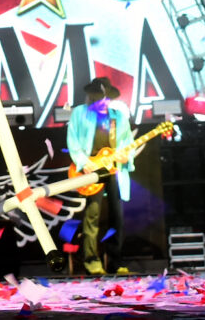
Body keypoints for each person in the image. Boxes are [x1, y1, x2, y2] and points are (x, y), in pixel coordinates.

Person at [65, 77, 134, 276]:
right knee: (92, 215)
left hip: (113, 169)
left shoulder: (118, 117)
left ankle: (115, 262)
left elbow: (127, 142)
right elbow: (73, 140)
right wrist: (83, 162)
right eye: (98, 97)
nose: (102, 101)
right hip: (92, 169)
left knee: (117, 217)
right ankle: (91, 260)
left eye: (105, 97)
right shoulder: (80, 113)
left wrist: (126, 156)